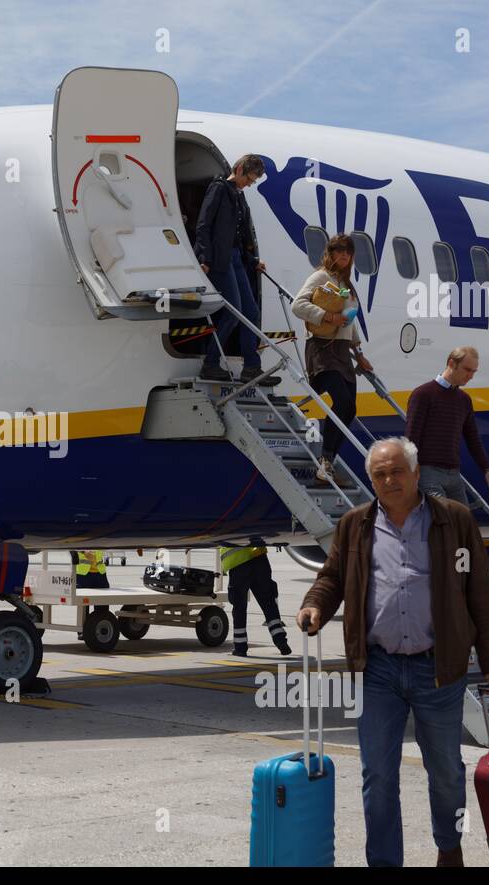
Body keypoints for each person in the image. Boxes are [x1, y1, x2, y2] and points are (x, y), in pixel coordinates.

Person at [297, 437, 489, 867]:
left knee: (447, 772)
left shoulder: (455, 520)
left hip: (439, 668)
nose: (389, 480)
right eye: (379, 474)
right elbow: (332, 576)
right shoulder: (355, 524)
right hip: (377, 669)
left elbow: (479, 596)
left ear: (415, 473)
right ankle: (384, 861)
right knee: (378, 775)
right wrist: (315, 603)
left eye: (397, 471)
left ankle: (449, 848)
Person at [290, 234, 374, 487]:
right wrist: (326, 317)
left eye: (348, 251)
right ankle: (325, 462)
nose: (344, 255)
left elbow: (349, 318)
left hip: (342, 351)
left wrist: (359, 353)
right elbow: (298, 305)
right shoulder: (321, 277)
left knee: (350, 409)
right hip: (323, 348)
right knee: (343, 402)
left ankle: (328, 461)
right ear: (330, 252)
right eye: (339, 250)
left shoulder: (344, 283)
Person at [193, 155, 278, 386]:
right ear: (239, 169)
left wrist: (252, 260)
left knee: (251, 312)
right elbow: (204, 224)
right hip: (220, 260)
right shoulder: (219, 189)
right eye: (249, 179)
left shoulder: (239, 196)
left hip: (237, 259)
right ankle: (211, 362)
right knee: (234, 311)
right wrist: (204, 257)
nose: (249, 184)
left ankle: (252, 367)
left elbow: (238, 236)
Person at [404, 346, 489, 506]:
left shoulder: (464, 400)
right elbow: (412, 436)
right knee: (445, 516)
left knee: (462, 523)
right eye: (467, 370)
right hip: (428, 472)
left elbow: (472, 437)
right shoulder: (423, 394)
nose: (470, 376)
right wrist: (411, 471)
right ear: (451, 363)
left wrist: (487, 469)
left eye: (474, 371)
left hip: (454, 474)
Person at [219, 542, 291, 656]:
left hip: (238, 564)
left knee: (239, 607)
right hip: (259, 559)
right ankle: (281, 641)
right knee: (268, 603)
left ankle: (240, 648)